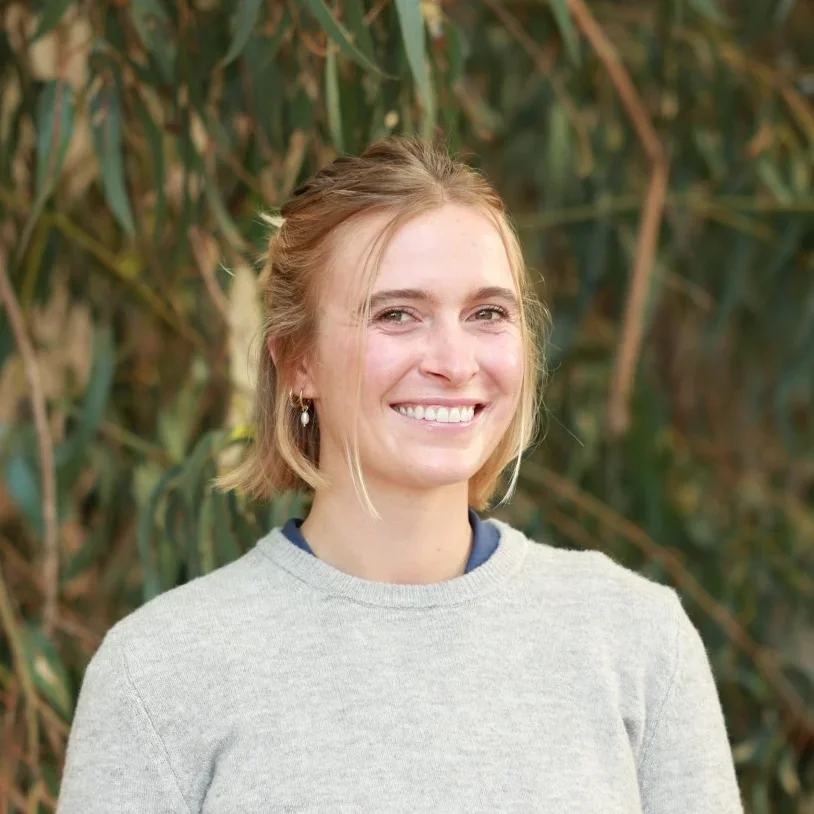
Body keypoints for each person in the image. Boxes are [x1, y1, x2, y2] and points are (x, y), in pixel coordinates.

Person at [56, 136, 743, 813]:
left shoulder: (639, 640)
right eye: (397, 314)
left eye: (487, 314)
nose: (454, 359)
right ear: (298, 361)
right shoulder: (158, 672)